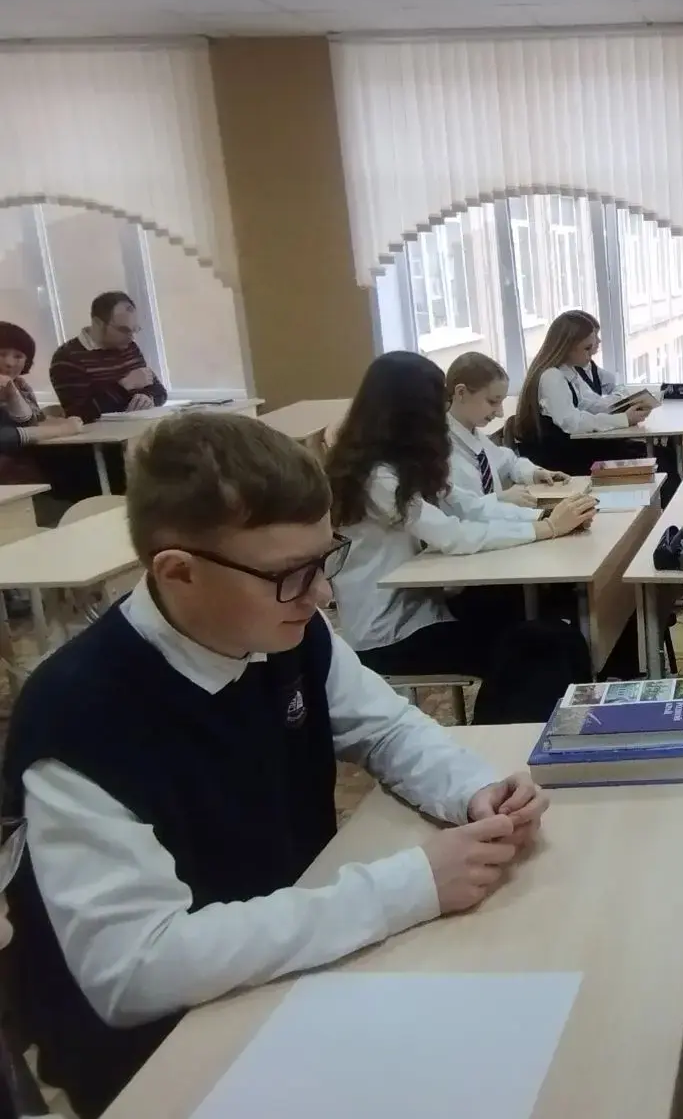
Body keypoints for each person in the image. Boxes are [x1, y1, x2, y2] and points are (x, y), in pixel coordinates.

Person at [0, 411, 552, 1117]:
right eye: (290, 575)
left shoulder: (284, 627)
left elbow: (386, 728)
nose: (323, 594)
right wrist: (408, 886)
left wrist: (472, 789)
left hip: (292, 961)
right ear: (179, 572)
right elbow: (136, 970)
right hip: (165, 1052)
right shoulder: (78, 717)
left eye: (325, 559)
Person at [325, 351, 595, 724]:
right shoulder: (377, 477)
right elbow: (452, 535)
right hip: (390, 633)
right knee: (534, 649)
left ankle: (577, 732)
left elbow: (470, 507)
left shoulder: (406, 461)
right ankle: (502, 746)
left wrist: (544, 516)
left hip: (429, 609)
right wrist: (545, 529)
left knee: (562, 638)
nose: (442, 417)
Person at [511, 310, 650, 476]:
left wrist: (626, 408)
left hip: (572, 451)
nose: (592, 353)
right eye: (587, 348)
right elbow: (572, 423)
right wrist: (623, 419)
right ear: (568, 347)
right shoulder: (551, 377)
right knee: (654, 458)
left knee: (651, 452)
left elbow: (591, 404)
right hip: (560, 460)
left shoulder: (568, 371)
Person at [444, 351, 570, 504]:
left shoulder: (474, 437)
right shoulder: (440, 451)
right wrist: (501, 499)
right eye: (492, 401)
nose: (500, 413)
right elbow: (463, 509)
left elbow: (508, 462)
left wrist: (535, 473)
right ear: (461, 393)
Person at [47, 291, 168, 424]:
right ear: (98, 323)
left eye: (134, 329)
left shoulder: (130, 347)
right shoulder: (67, 358)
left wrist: (148, 397)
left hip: (138, 427)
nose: (131, 337)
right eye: (123, 330)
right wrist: (124, 385)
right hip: (102, 436)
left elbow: (160, 392)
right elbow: (81, 414)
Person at [0, 321, 82, 485]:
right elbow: (4, 437)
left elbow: (30, 421)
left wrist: (12, 393)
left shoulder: (21, 386)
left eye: (18, 356)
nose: (9, 363)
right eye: (1, 354)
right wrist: (62, 430)